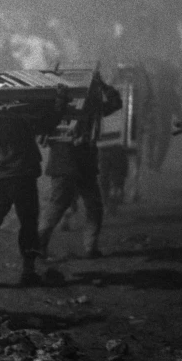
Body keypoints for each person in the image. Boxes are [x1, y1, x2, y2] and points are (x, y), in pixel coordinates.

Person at [0, 103, 64, 289]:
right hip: (23, 178)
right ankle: (28, 271)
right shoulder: (18, 120)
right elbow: (47, 124)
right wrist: (59, 103)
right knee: (29, 224)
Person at [38, 78, 122, 260]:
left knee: (58, 206)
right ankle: (90, 247)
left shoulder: (55, 112)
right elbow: (116, 103)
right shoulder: (91, 109)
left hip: (66, 163)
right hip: (83, 164)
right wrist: (104, 86)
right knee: (91, 206)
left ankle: (39, 246)